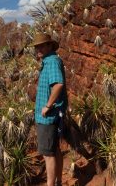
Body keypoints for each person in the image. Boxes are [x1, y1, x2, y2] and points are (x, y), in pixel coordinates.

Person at [30, 32, 67, 186]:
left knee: (47, 154)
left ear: (49, 45)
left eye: (41, 45)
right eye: (36, 46)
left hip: (48, 116)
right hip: (52, 115)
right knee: (54, 150)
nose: (38, 48)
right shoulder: (49, 61)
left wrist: (47, 106)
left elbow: (58, 84)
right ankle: (58, 181)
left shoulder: (52, 62)